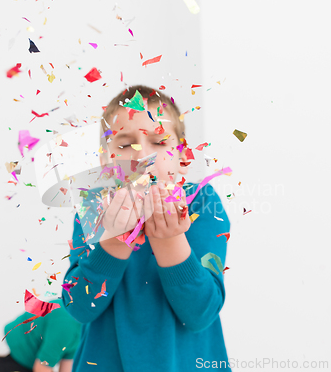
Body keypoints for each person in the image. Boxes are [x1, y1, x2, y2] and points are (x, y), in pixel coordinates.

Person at [62, 85, 231, 371]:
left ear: (184, 157)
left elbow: (200, 314)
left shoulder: (202, 202)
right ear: (105, 161)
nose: (143, 156)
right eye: (126, 144)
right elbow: (80, 308)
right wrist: (115, 243)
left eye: (160, 142)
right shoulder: (94, 206)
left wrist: (170, 240)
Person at [0, 299, 82, 372]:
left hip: (28, 359)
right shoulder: (67, 326)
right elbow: (41, 368)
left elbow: (67, 365)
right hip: (7, 356)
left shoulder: (80, 328)